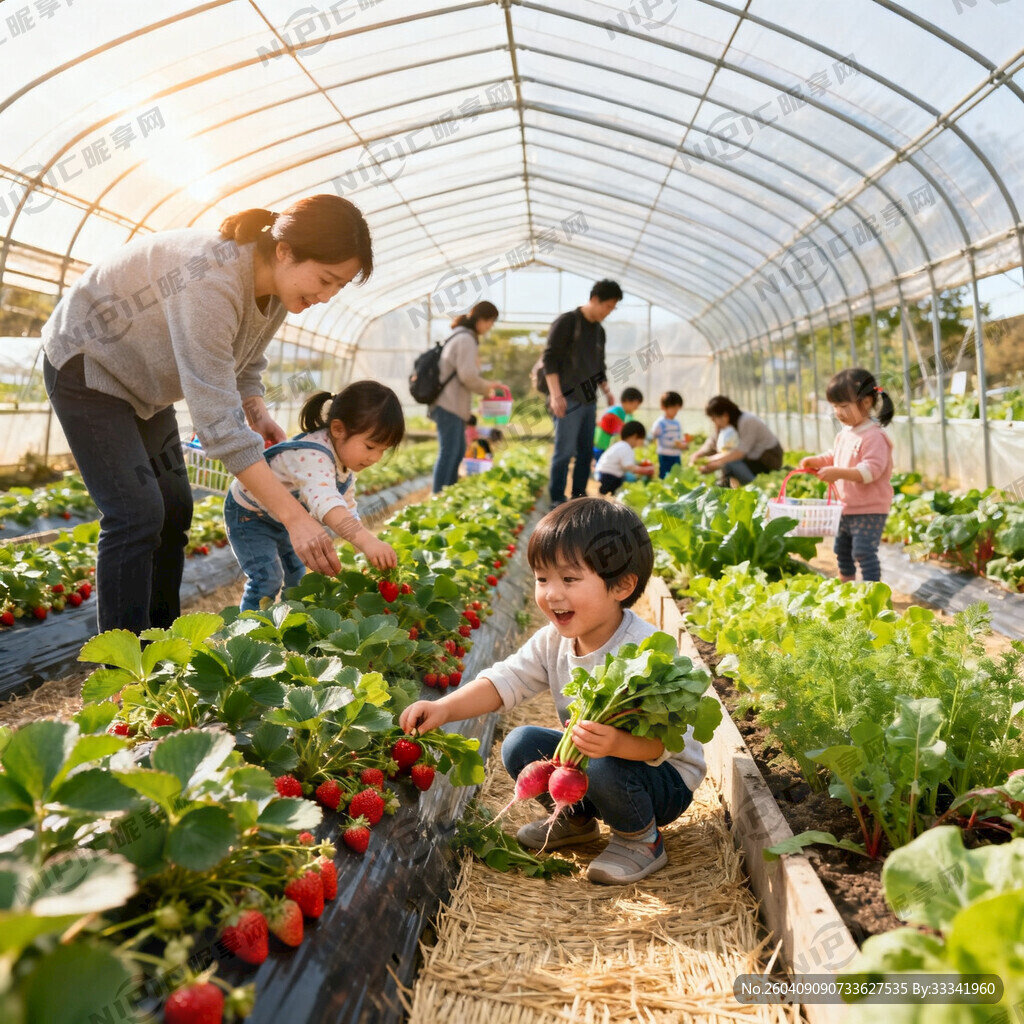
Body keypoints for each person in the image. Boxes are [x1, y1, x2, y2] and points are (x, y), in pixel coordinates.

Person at [40, 194, 373, 633]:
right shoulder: (212, 278)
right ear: (285, 250)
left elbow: (246, 360)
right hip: (90, 366)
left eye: (338, 287)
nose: (326, 296)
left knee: (175, 507)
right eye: (326, 279)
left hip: (145, 384)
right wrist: (295, 518)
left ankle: (161, 644)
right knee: (135, 513)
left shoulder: (274, 288)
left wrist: (256, 411)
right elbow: (216, 424)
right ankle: (124, 668)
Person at [399, 499, 705, 885]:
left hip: (660, 781)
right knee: (521, 744)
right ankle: (574, 819)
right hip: (594, 758)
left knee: (602, 762)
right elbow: (505, 680)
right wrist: (444, 708)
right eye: (542, 579)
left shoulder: (648, 651)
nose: (551, 594)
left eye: (569, 580)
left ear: (622, 585)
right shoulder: (552, 642)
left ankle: (640, 840)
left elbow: (666, 746)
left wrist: (615, 743)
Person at [225, 381, 404, 611]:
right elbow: (326, 502)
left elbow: (346, 508)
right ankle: (249, 631)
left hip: (283, 517)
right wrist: (367, 541)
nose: (375, 457)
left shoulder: (343, 464)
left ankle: (289, 622)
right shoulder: (313, 455)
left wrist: (361, 544)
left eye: (383, 450)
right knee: (267, 578)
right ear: (338, 429)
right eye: (370, 447)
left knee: (298, 577)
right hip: (249, 514)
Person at [799, 368, 895, 583]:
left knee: (862, 552)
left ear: (867, 402)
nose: (838, 412)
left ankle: (872, 591)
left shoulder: (874, 436)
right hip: (845, 506)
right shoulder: (846, 433)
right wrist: (817, 461)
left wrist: (838, 473)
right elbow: (836, 456)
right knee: (841, 551)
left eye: (844, 406)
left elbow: (872, 470)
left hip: (869, 508)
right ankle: (847, 589)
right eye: (834, 406)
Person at [542, 279, 623, 508]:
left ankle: (578, 498)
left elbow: (600, 365)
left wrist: (606, 391)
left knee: (586, 452)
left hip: (588, 400)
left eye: (612, 308)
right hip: (566, 398)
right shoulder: (568, 322)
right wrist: (556, 395)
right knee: (564, 451)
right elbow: (550, 359)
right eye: (607, 306)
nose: (608, 312)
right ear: (595, 299)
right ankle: (557, 499)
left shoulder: (599, 331)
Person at [429, 301, 501, 493]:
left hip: (452, 406)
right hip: (449, 405)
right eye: (490, 322)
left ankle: (447, 495)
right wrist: (486, 388)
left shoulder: (461, 336)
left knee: (456, 451)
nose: (489, 327)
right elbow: (467, 375)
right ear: (481, 319)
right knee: (449, 452)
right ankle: (439, 498)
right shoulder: (466, 339)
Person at [689, 395, 783, 486]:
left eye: (714, 418)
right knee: (724, 462)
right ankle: (724, 488)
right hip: (750, 460)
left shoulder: (747, 421)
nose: (714, 422)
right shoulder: (726, 425)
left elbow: (739, 453)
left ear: (725, 415)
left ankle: (754, 486)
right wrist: (699, 454)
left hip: (767, 459)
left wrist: (712, 461)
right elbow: (713, 442)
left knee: (728, 464)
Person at [595, 421, 655, 495]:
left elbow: (629, 463)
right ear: (635, 437)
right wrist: (646, 470)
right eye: (642, 439)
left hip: (603, 473)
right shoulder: (626, 447)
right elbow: (629, 467)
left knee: (607, 492)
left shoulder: (621, 445)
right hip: (609, 476)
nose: (643, 442)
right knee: (608, 494)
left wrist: (639, 464)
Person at [593, 386, 643, 462]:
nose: (636, 408)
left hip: (607, 447)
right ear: (628, 401)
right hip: (600, 445)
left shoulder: (628, 415)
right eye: (636, 405)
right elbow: (620, 429)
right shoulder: (616, 411)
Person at [650, 391, 689, 478]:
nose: (676, 411)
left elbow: (678, 438)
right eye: (673, 408)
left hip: (676, 455)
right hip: (665, 455)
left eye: (677, 408)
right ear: (664, 407)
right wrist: (676, 444)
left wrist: (683, 444)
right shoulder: (660, 423)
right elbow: (654, 436)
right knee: (665, 476)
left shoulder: (677, 423)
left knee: (677, 476)